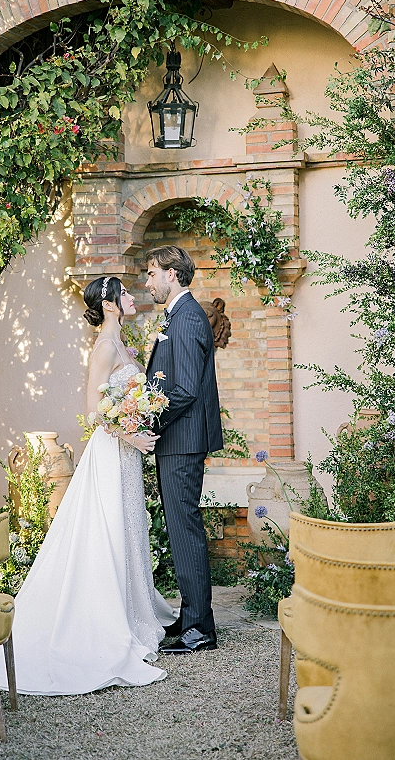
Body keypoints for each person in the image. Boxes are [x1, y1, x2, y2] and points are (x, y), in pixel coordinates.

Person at [0, 276, 177, 695]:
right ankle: (103, 624)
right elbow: (93, 410)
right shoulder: (104, 347)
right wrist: (131, 435)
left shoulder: (123, 345)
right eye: (126, 293)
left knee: (129, 530)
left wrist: (139, 423)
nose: (133, 297)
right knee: (107, 532)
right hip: (111, 454)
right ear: (110, 305)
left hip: (126, 454)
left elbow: (125, 401)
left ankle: (133, 614)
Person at [145, 246, 224, 654]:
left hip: (183, 441)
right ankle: (192, 614)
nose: (148, 281)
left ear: (172, 274)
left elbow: (186, 390)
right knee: (180, 530)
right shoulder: (179, 316)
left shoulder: (189, 317)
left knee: (186, 530)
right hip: (176, 441)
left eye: (152, 273)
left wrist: (146, 419)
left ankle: (200, 630)